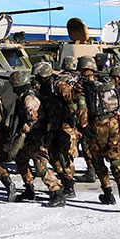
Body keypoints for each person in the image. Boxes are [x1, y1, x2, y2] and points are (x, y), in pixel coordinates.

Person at [75, 57, 120, 211]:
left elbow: (81, 106)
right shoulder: (108, 82)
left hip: (98, 126)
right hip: (115, 123)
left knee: (98, 159)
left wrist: (83, 125)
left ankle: (108, 194)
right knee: (115, 158)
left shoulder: (83, 85)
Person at [9, 67, 65, 207]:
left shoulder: (29, 99)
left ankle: (57, 192)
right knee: (21, 161)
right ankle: (29, 189)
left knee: (41, 167)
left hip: (37, 138)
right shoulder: (24, 97)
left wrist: (26, 128)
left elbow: (35, 118)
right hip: (29, 138)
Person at [34, 60, 79, 197]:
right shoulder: (43, 88)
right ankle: (64, 181)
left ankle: (70, 185)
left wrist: (69, 121)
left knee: (65, 156)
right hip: (51, 127)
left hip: (64, 127)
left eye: (38, 78)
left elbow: (74, 105)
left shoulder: (60, 86)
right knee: (53, 157)